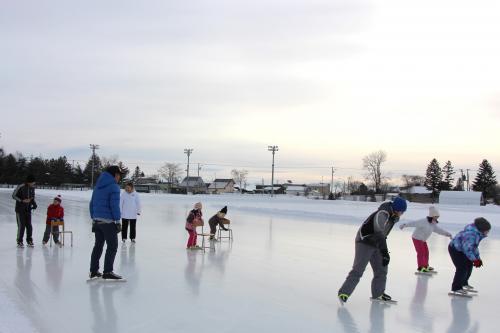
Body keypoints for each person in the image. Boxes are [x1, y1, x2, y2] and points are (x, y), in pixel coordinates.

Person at [338, 197, 407, 304]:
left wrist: (384, 253)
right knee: (358, 270)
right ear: (396, 209)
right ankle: (344, 292)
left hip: (376, 243)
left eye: (402, 212)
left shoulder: (392, 217)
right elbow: (378, 232)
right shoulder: (382, 213)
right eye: (401, 211)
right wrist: (385, 252)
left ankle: (378, 294)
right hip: (364, 241)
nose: (401, 214)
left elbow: (383, 236)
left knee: (382, 269)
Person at [89, 165, 124, 280]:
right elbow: (114, 206)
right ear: (114, 174)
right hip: (108, 221)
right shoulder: (114, 187)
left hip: (97, 221)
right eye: (119, 175)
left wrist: (94, 218)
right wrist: (118, 221)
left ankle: (93, 271)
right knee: (112, 246)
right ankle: (107, 271)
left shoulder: (98, 186)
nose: (119, 178)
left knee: (98, 246)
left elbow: (91, 203)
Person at [399, 206, 452, 272]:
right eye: (436, 216)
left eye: (437, 217)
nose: (437, 218)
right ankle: (421, 267)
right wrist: (404, 225)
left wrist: (447, 234)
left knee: (426, 252)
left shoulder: (433, 224)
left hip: (423, 240)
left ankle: (425, 266)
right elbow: (414, 223)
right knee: (421, 252)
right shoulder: (423, 221)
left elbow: (439, 230)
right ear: (432, 216)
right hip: (417, 238)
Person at [448, 217, 490, 295]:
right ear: (482, 229)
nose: (488, 232)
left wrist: (478, 259)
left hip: (463, 249)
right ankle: (456, 288)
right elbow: (468, 249)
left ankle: (464, 283)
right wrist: (475, 260)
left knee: (469, 266)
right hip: (455, 249)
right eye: (487, 230)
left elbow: (474, 247)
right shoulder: (470, 235)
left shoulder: (477, 234)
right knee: (462, 268)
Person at [12, 175, 38, 248]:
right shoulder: (21, 186)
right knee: (21, 226)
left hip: (28, 210)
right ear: (29, 182)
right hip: (20, 210)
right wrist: (22, 201)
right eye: (33, 182)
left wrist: (34, 204)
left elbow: (32, 197)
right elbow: (13, 195)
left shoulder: (33, 188)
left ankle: (29, 240)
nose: (34, 183)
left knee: (29, 226)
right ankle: (19, 241)